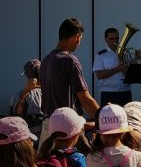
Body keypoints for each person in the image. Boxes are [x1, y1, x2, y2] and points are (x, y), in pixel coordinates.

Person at [40, 18, 99, 146]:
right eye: (80, 38)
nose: (79, 43)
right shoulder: (70, 61)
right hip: (66, 129)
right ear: (76, 37)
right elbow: (85, 99)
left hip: (47, 126)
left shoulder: (45, 61)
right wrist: (103, 117)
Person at [93, 28, 135, 106]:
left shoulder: (126, 52)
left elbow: (132, 74)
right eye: (111, 39)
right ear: (106, 39)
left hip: (125, 92)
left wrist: (136, 58)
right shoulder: (101, 55)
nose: (114, 41)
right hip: (109, 93)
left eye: (116, 38)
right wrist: (117, 69)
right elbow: (99, 75)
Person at [9, 59, 44, 136]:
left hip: (26, 138)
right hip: (46, 137)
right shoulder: (51, 91)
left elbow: (16, 113)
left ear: (27, 76)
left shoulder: (19, 95)